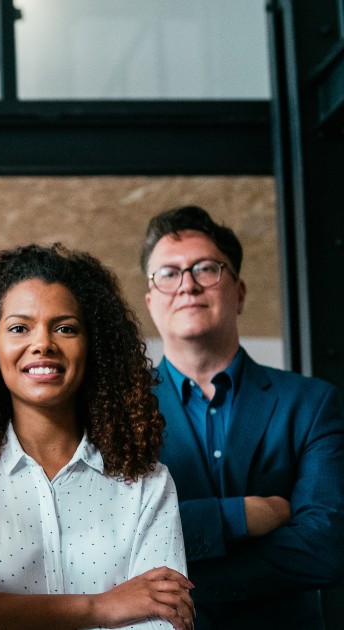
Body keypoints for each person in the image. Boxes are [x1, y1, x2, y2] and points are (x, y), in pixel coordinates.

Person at [0, 243, 192, 630]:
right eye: (19, 328)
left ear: (95, 347)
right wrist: (104, 607)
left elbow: (163, 624)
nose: (42, 343)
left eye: (65, 328)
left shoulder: (147, 483)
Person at [140, 206, 344, 628]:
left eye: (206, 269)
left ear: (240, 291)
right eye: (169, 273)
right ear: (150, 300)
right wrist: (242, 516)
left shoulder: (311, 403)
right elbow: (113, 535)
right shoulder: (119, 411)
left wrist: (174, 586)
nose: (188, 285)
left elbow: (326, 546)